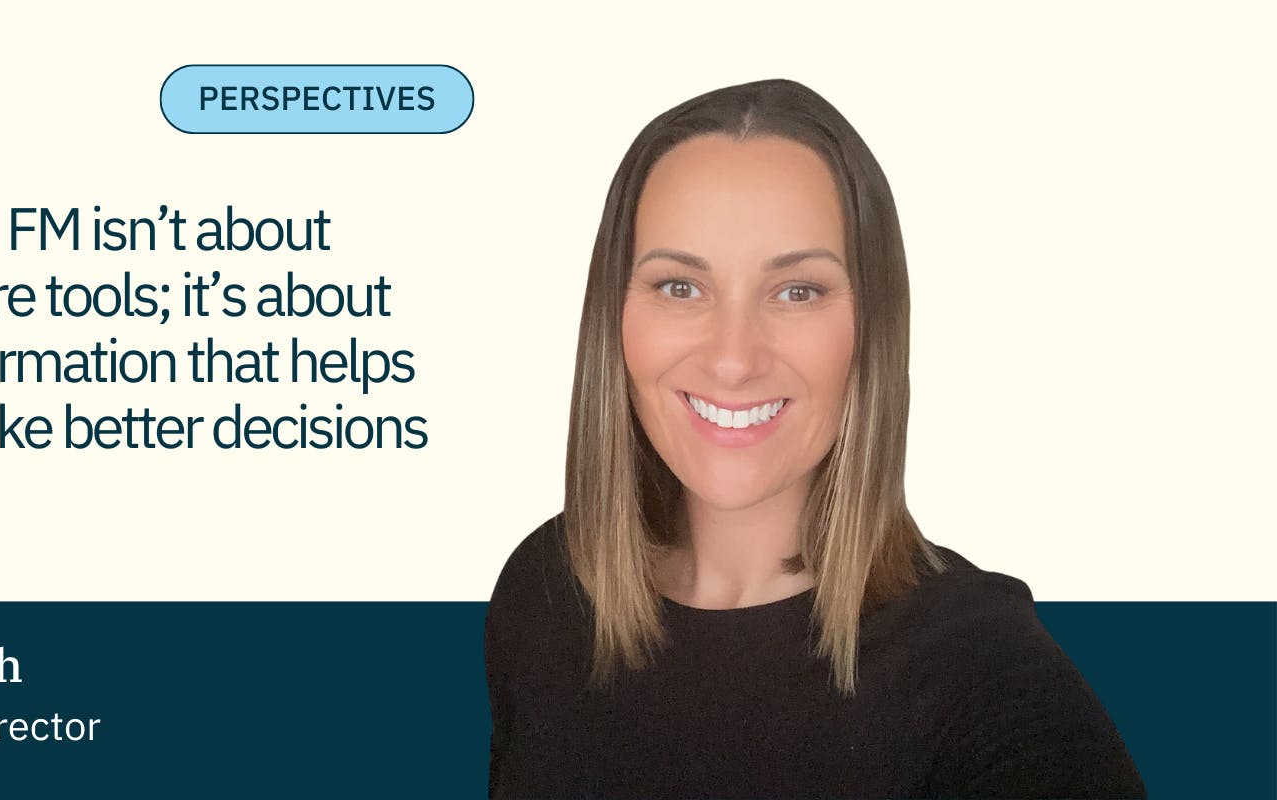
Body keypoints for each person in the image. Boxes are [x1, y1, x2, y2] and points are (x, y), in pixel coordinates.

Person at [484, 78, 1145, 798]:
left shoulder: (988, 680)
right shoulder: (546, 590)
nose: (733, 358)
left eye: (797, 291)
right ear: (614, 317)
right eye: (680, 286)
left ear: (870, 329)